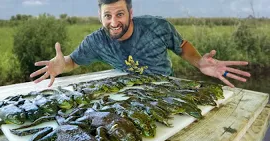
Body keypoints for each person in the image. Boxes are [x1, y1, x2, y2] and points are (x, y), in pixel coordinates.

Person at [30, 0, 251, 88]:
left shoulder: (158, 26)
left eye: (120, 14)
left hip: (166, 87)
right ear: (100, 16)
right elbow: (73, 62)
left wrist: (200, 63)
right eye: (107, 15)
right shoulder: (95, 41)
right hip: (130, 91)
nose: (114, 22)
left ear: (131, 13)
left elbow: (182, 46)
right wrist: (61, 66)